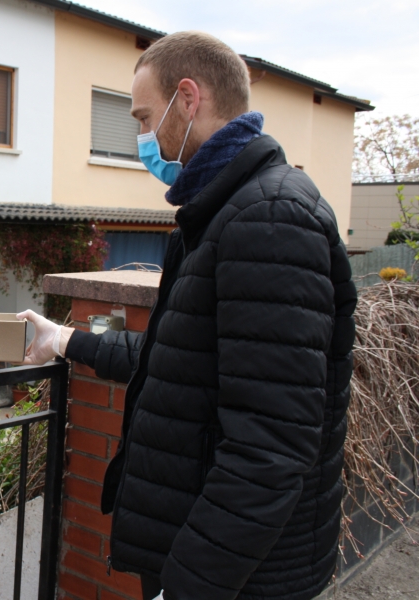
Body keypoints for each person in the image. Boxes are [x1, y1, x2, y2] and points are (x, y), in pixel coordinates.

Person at [20, 32, 356, 600]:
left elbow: (269, 449)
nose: (140, 139)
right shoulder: (220, 214)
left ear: (188, 99)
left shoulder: (269, 219)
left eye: (144, 118)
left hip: (242, 579)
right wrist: (65, 341)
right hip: (221, 564)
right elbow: (177, 365)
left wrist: (187, 587)